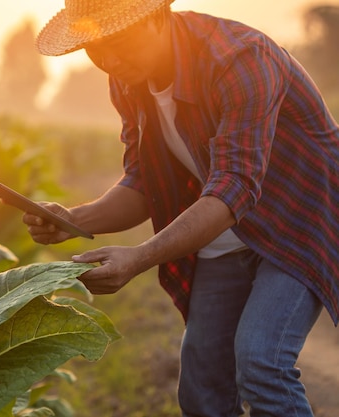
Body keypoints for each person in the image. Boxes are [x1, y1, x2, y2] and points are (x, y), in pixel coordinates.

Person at [24, 0, 339, 415]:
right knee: (201, 384)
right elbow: (143, 181)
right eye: (95, 49)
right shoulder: (127, 77)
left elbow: (235, 187)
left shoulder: (240, 58)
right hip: (226, 226)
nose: (111, 60)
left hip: (300, 218)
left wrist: (139, 257)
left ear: (157, 17)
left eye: (120, 41)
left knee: (262, 363)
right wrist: (73, 219)